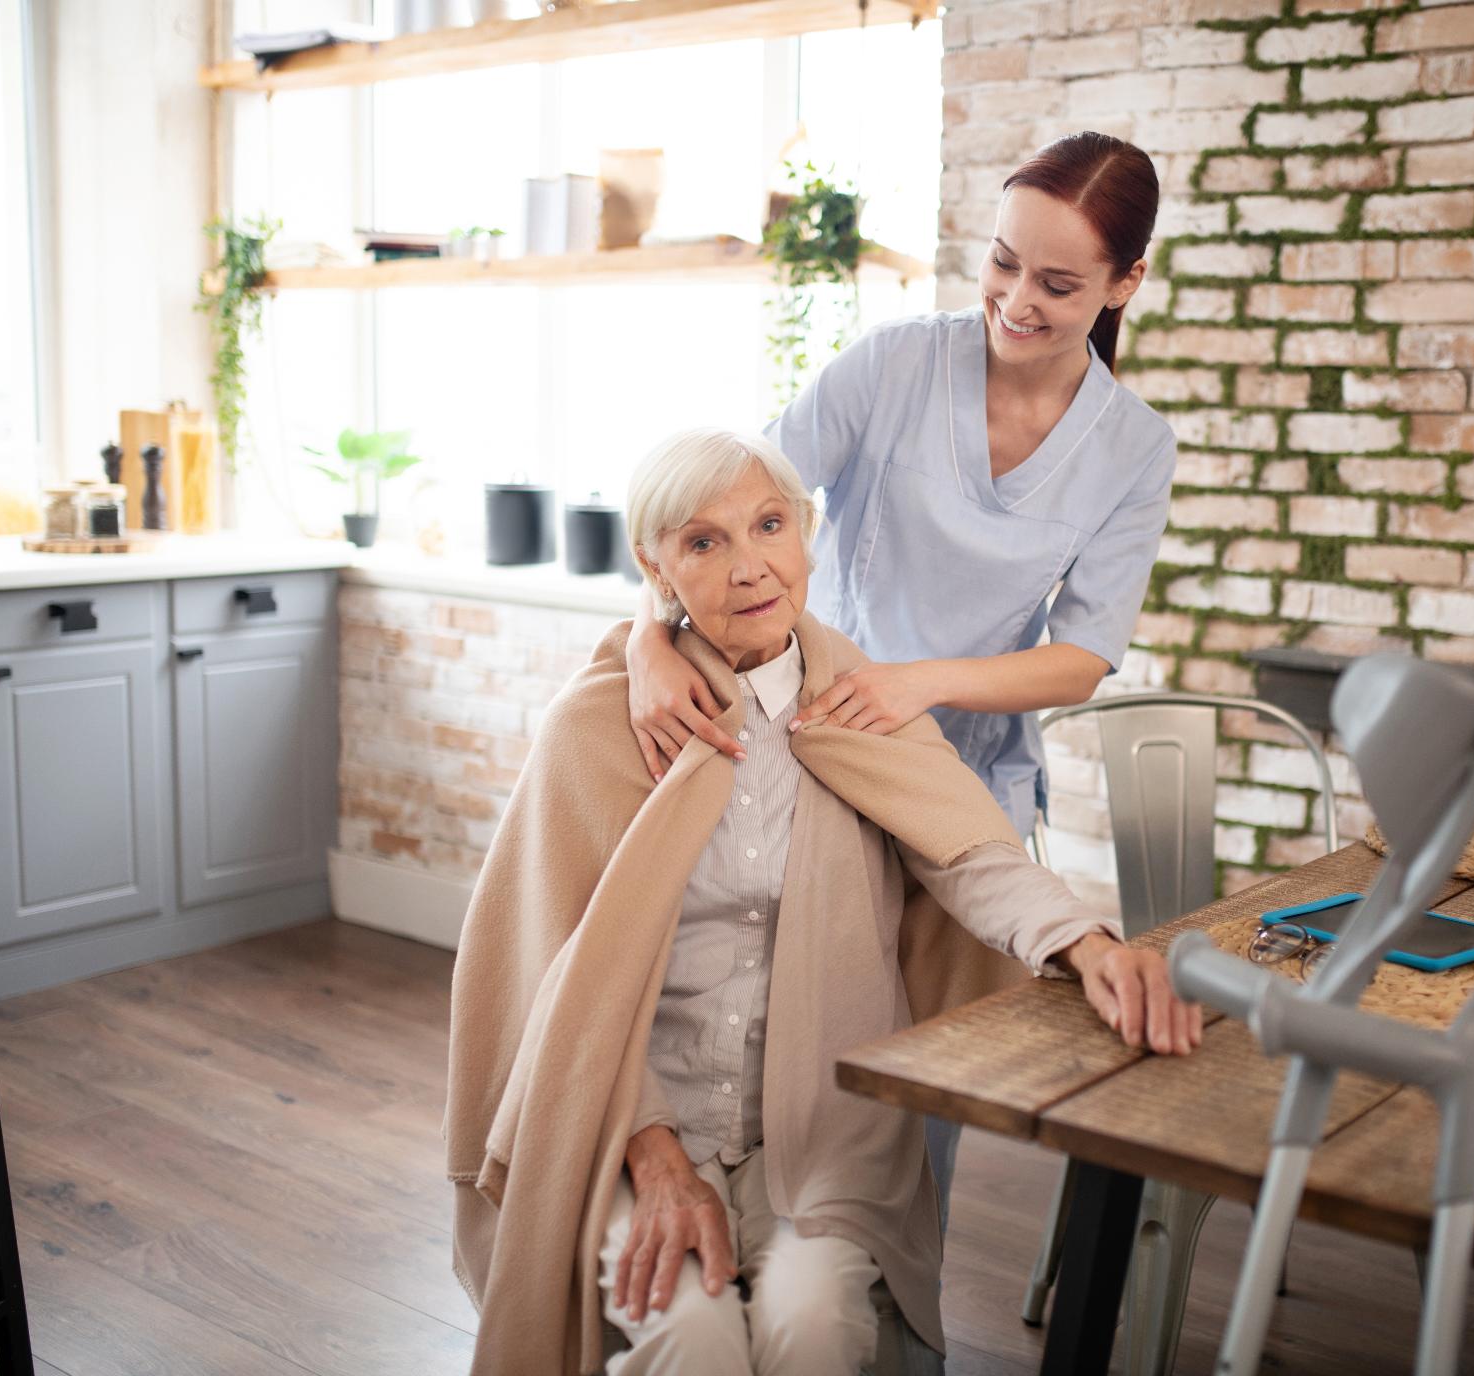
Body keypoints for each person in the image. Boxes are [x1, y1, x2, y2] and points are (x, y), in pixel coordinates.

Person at [445, 429, 1202, 1376]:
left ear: (807, 535)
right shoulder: (597, 725)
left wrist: (1090, 945)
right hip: (633, 1124)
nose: (749, 567)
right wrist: (653, 1151)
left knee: (813, 1324)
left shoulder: (857, 702)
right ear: (658, 569)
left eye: (770, 526)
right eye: (704, 542)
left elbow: (970, 855)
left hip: (820, 1131)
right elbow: (553, 973)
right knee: (692, 1332)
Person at [626, 131, 1177, 1214]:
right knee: (789, 1043)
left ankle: (889, 1321)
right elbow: (728, 504)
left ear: (1126, 283)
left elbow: (1080, 656)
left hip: (965, 781)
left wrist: (920, 682)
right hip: (813, 749)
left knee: (927, 1088)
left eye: (1059, 283)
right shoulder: (893, 366)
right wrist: (649, 634)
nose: (1016, 299)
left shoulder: (1134, 449)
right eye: (1004, 261)